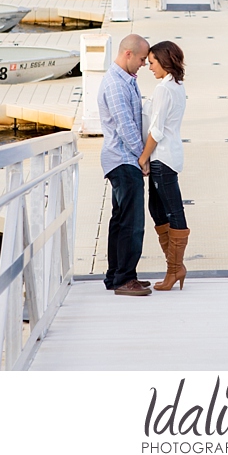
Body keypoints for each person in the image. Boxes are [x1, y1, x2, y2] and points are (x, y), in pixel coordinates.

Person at [98, 33, 152, 296]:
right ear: (128, 53)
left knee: (120, 220)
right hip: (123, 159)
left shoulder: (125, 79)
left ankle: (115, 276)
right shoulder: (116, 84)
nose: (144, 63)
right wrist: (143, 157)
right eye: (142, 59)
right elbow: (125, 126)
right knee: (132, 222)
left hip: (122, 158)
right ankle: (125, 279)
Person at [138, 40, 190, 291]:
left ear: (164, 60)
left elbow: (156, 130)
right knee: (158, 210)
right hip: (167, 156)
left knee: (170, 211)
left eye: (152, 62)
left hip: (162, 158)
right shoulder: (176, 86)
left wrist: (142, 157)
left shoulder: (164, 89)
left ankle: (175, 269)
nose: (149, 67)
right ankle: (174, 267)